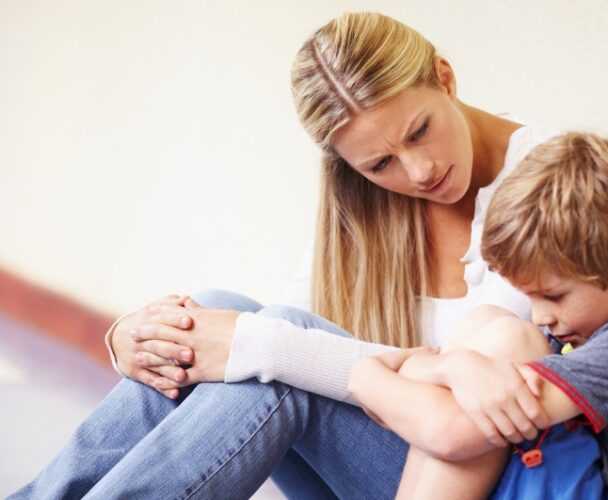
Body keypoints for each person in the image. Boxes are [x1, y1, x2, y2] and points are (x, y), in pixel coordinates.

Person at [12, 12, 556, 499]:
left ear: (444, 77)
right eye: (379, 164)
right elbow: (278, 334)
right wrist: (131, 338)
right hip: (385, 460)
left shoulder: (556, 186)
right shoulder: (372, 209)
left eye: (419, 131)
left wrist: (271, 346)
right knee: (214, 308)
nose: (417, 172)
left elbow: (477, 403)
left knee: (277, 353)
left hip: (486, 479)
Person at [355, 132, 608, 499]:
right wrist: (454, 368)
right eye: (531, 297)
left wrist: (366, 377)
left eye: (554, 296)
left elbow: (452, 435)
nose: (542, 316)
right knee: (489, 324)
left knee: (512, 343)